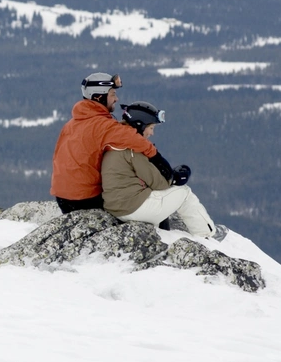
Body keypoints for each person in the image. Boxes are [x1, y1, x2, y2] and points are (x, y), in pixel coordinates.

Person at [50, 73, 173, 214]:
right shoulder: (103, 125)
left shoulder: (71, 124)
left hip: (63, 198)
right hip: (85, 199)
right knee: (143, 196)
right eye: (113, 94)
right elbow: (136, 140)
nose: (116, 98)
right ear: (98, 97)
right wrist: (159, 160)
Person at [101, 101, 216, 238]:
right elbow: (158, 183)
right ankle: (206, 235)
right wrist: (175, 178)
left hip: (116, 206)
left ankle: (164, 233)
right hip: (131, 209)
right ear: (139, 125)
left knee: (157, 195)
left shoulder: (116, 143)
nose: (152, 133)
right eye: (151, 128)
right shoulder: (133, 150)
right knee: (184, 192)